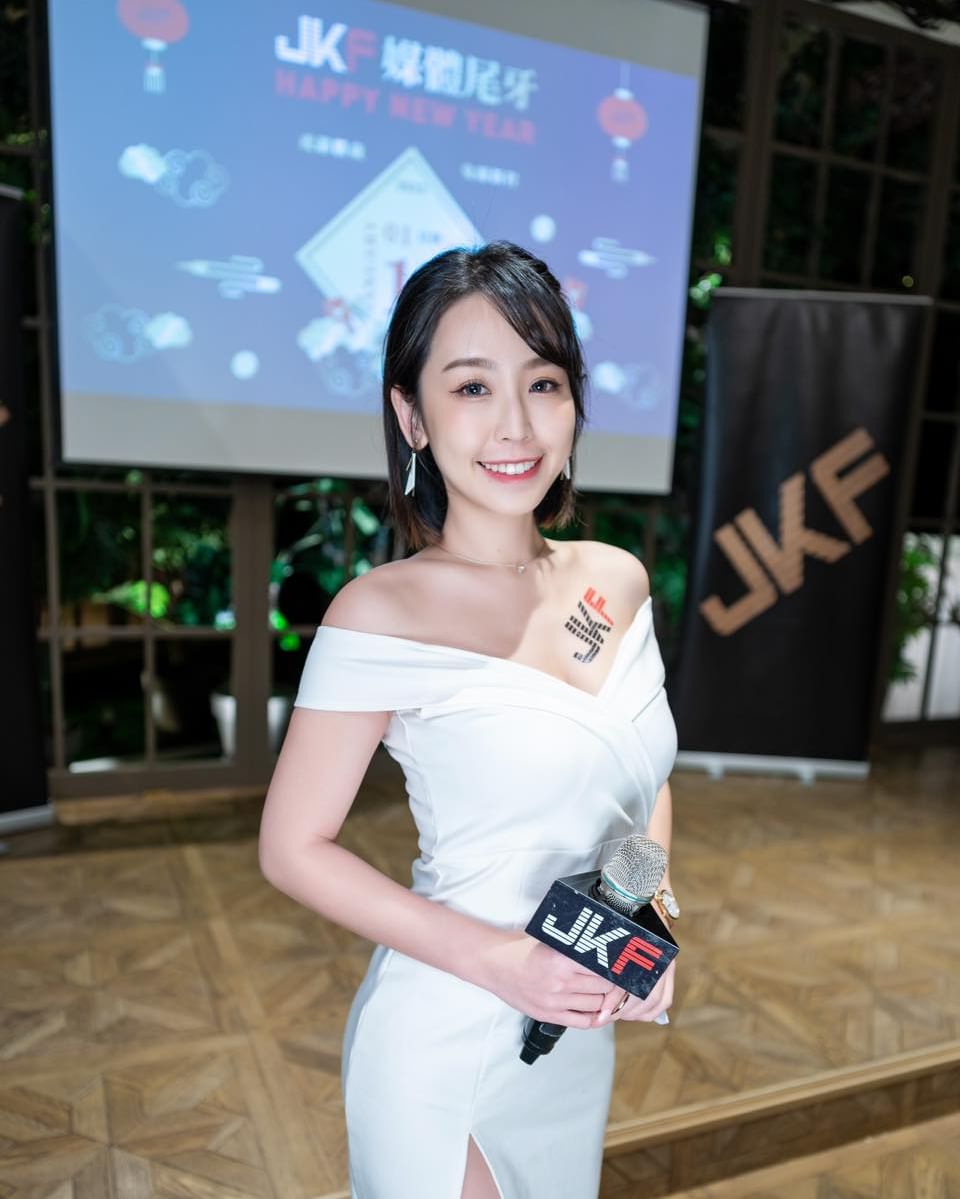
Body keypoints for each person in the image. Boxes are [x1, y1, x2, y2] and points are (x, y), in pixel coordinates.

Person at [258, 241, 679, 1199]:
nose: (515, 424)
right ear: (412, 414)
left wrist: (646, 920)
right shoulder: (379, 611)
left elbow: (645, 783)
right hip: (445, 1029)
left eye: (544, 383)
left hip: (570, 1029)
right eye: (473, 387)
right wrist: (504, 962)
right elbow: (291, 847)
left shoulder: (615, 580)